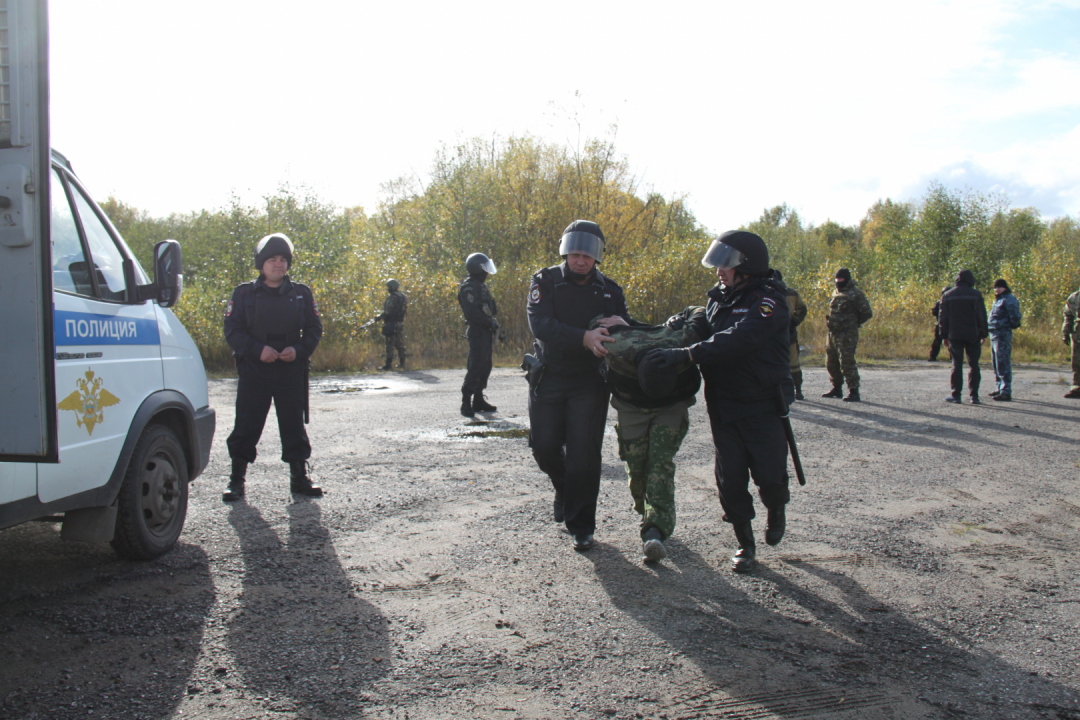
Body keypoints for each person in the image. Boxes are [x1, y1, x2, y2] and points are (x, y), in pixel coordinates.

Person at [645, 231, 793, 574]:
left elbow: (739, 338)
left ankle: (776, 507)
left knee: (770, 476)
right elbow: (704, 331)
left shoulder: (769, 301)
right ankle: (745, 542)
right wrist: (678, 327)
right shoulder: (717, 300)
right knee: (730, 480)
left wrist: (687, 355)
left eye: (725, 264)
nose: (718, 271)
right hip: (724, 405)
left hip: (762, 404)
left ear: (747, 266)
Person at [527, 220, 637, 552]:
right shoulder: (545, 281)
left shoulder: (609, 290)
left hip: (589, 381)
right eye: (574, 254)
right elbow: (540, 324)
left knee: (584, 456)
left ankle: (582, 526)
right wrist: (583, 337)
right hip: (550, 374)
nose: (580, 261)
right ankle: (563, 488)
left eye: (586, 256)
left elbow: (626, 330)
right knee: (544, 448)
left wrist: (624, 325)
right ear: (566, 252)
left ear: (597, 257)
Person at [595, 306, 708, 563]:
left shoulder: (683, 341)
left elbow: (699, 312)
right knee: (637, 467)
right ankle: (644, 507)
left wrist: (682, 315)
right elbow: (597, 322)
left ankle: (655, 530)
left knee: (660, 461)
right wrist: (625, 324)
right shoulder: (618, 346)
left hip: (672, 404)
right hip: (631, 404)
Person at [223, 233, 323, 501]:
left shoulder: (301, 294)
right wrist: (257, 350)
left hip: (291, 371)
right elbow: (232, 330)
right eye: (272, 259)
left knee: (293, 426)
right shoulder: (244, 294)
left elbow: (314, 330)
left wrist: (299, 350)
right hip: (255, 371)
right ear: (261, 263)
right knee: (246, 425)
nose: (278, 265)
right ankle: (236, 481)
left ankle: (299, 478)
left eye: (283, 259)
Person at [458, 252, 502, 417]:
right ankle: (465, 402)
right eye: (484, 269)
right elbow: (472, 313)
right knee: (476, 366)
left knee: (485, 366)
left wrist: (493, 323)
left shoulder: (481, 286)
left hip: (485, 331)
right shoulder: (468, 287)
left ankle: (478, 399)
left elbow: (490, 309)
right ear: (477, 269)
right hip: (477, 331)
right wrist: (488, 322)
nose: (486, 273)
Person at [822, 268, 873, 402]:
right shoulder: (835, 292)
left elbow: (867, 312)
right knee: (831, 362)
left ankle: (854, 390)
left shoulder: (856, 294)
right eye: (836, 281)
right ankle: (837, 388)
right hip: (833, 332)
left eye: (841, 281)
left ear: (847, 280)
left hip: (847, 334)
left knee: (847, 362)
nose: (838, 283)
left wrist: (852, 323)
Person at [939, 269, 989, 404]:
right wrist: (984, 333)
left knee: (956, 364)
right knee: (974, 365)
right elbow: (981, 316)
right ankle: (974, 395)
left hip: (955, 335)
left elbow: (943, 318)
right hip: (973, 334)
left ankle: (956, 394)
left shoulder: (948, 295)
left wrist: (944, 335)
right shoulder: (976, 295)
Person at [775, 270, 808, 400]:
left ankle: (797, 390)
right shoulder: (789, 293)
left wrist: (794, 322)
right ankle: (794, 390)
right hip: (778, 334)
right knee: (790, 363)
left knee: (791, 363)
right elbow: (802, 309)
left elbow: (802, 309)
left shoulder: (788, 293)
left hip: (786, 334)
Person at [988, 279, 1022, 401]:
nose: (996, 289)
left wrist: (1009, 326)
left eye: (999, 287)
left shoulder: (1009, 299)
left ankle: (1006, 390)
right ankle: (999, 387)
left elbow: (1015, 317)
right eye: (995, 288)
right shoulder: (998, 300)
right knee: (996, 363)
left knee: (1003, 363)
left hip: (1002, 334)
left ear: (1004, 288)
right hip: (994, 333)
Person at [377, 279, 408, 371]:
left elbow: (388, 311)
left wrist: (379, 317)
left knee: (389, 343)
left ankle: (388, 364)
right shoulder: (402, 296)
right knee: (399, 343)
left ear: (393, 287)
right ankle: (402, 362)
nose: (388, 289)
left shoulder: (392, 297)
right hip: (399, 322)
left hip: (391, 322)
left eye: (389, 287)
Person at [1064, 285, 1080, 399]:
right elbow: (1068, 316)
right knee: (1077, 361)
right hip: (1077, 333)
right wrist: (1065, 332)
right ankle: (1077, 387)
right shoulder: (1073, 297)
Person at [929, 286, 951, 361]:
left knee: (938, 340)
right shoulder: (950, 301)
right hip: (949, 324)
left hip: (940, 324)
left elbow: (934, 311)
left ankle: (933, 356)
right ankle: (953, 357)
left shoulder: (940, 301)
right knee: (951, 341)